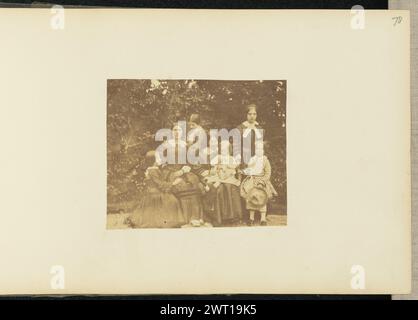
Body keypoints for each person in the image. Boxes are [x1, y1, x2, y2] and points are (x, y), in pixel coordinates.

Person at [128, 151, 186, 228]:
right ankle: (169, 222)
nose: (161, 159)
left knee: (172, 200)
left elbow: (161, 181)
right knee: (172, 201)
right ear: (153, 160)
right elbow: (160, 184)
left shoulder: (154, 169)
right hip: (155, 194)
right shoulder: (153, 171)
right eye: (159, 158)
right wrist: (174, 183)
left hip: (155, 193)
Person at [240, 142, 277, 226]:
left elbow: (268, 173)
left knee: (262, 197)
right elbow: (249, 170)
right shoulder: (252, 159)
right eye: (257, 149)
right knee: (251, 197)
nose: (259, 151)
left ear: (263, 150)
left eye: (261, 149)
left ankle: (263, 219)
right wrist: (244, 171)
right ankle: (251, 218)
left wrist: (262, 181)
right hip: (252, 180)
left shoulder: (265, 161)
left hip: (262, 181)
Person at [207, 140, 242, 226]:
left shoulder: (231, 158)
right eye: (221, 149)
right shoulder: (218, 157)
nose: (223, 151)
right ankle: (219, 216)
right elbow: (212, 163)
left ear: (229, 149)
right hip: (218, 175)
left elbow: (234, 167)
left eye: (225, 149)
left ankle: (231, 216)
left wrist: (228, 166)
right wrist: (219, 161)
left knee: (228, 186)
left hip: (228, 176)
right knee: (217, 186)